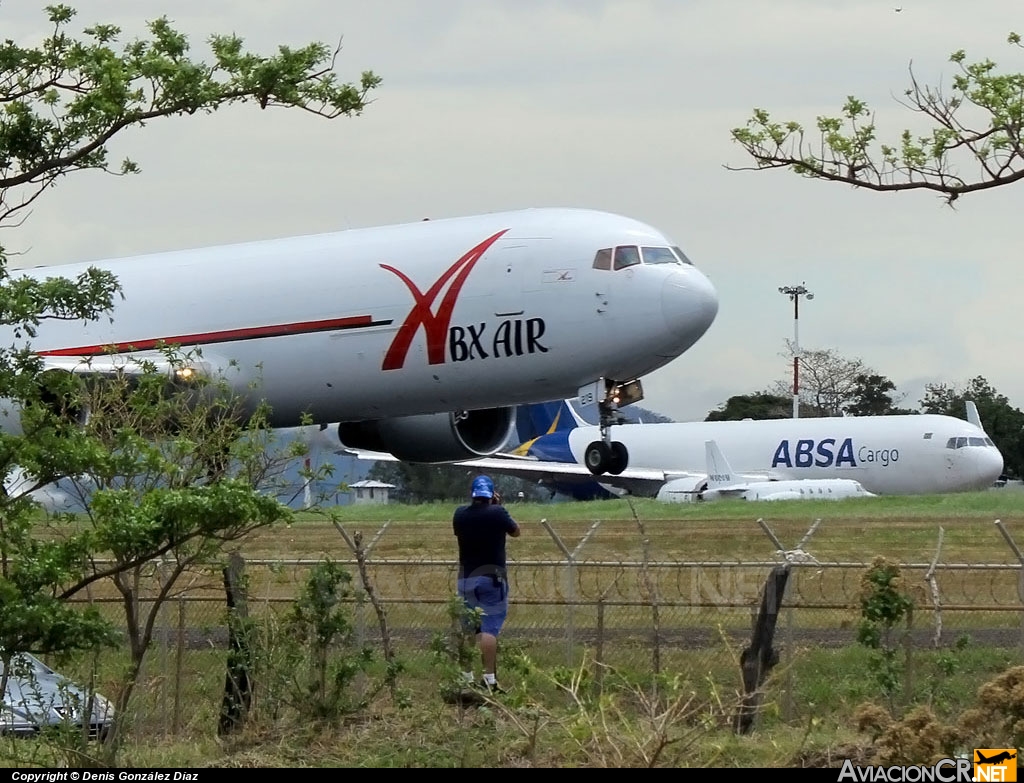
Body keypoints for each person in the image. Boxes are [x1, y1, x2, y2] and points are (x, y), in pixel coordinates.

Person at [452, 474, 520, 692]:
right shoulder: (498, 513)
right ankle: (489, 680)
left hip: (466, 578)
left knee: (467, 630)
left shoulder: (460, 515)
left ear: (472, 495)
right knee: (489, 629)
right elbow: (516, 532)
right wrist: (498, 506)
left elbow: (458, 531)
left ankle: (465, 679)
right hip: (493, 578)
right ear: (492, 495)